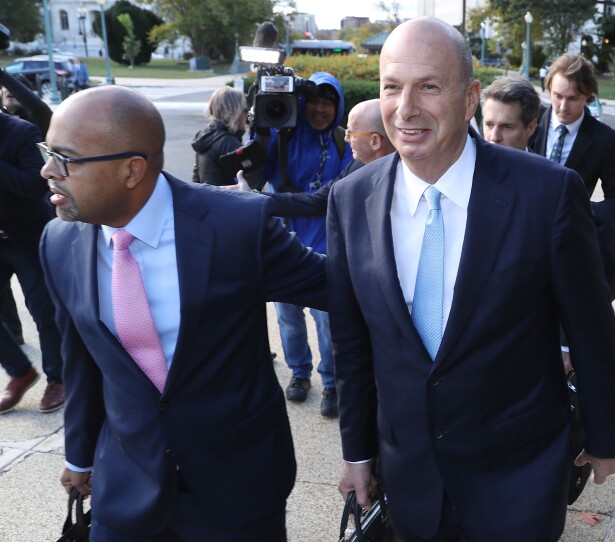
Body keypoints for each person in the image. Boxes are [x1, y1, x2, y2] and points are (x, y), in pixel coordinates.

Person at [329, 17, 615, 541]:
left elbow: (590, 327)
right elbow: (353, 343)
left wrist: (607, 435)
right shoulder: (351, 199)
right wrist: (357, 452)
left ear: (470, 98)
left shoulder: (548, 194)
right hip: (408, 479)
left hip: (518, 476)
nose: (406, 109)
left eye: (428, 86)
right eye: (391, 87)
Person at [39, 86, 326, 540]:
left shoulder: (236, 228)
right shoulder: (58, 242)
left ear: (132, 170)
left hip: (238, 489)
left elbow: (350, 294)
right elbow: (83, 361)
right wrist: (79, 456)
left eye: (64, 158)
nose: (47, 170)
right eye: (47, 151)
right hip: (124, 490)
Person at [261, 71, 352, 417]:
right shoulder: (285, 134)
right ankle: (300, 373)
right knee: (287, 315)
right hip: (285, 236)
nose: (319, 109)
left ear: (337, 106)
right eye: (313, 100)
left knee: (327, 318)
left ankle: (331, 382)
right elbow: (261, 173)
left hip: (327, 239)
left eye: (327, 102)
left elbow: (337, 193)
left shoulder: (345, 142)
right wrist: (262, 131)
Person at [529, 53, 615, 294]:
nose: (563, 107)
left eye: (573, 99)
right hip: (525, 231)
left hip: (570, 242)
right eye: (557, 96)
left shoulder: (604, 139)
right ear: (549, 89)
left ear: (588, 97)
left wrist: (585, 213)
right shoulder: (530, 121)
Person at [0, 109, 65, 415]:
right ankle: (20, 371)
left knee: (44, 313)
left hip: (27, 238)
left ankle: (58, 379)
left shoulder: (21, 132)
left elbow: (33, 184)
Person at [229, 98, 394, 218]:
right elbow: (315, 202)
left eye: (351, 133)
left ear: (374, 141)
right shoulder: (354, 168)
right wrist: (253, 196)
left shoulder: (408, 176)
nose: (346, 138)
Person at [191, 86, 247, 185]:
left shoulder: (205, 136)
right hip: (225, 199)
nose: (246, 116)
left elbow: (196, 180)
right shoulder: (228, 142)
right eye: (245, 110)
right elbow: (250, 181)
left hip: (207, 198)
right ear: (235, 112)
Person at [480, 76, 540, 151]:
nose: (494, 137)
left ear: (531, 128)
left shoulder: (540, 163)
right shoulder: (469, 161)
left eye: (507, 127)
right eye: (489, 125)